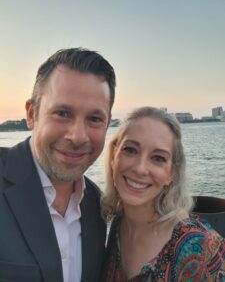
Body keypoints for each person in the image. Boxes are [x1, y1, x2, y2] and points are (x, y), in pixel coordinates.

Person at [0, 48, 116, 282]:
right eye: (62, 113)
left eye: (94, 119)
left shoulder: (96, 204)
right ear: (32, 114)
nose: (78, 136)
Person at [101, 106, 225, 281]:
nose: (140, 168)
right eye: (130, 150)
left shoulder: (201, 246)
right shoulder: (117, 224)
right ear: (114, 155)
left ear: (171, 173)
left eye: (158, 158)